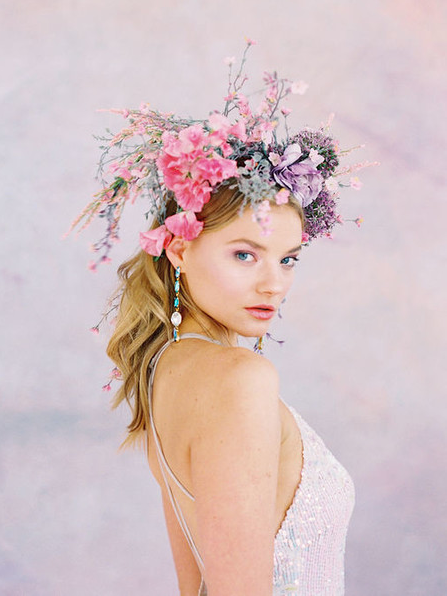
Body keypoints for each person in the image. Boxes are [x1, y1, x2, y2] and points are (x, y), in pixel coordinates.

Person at [73, 45, 370, 595]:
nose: (273, 283)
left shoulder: (167, 368)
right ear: (180, 249)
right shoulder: (238, 378)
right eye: (244, 254)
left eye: (287, 259)